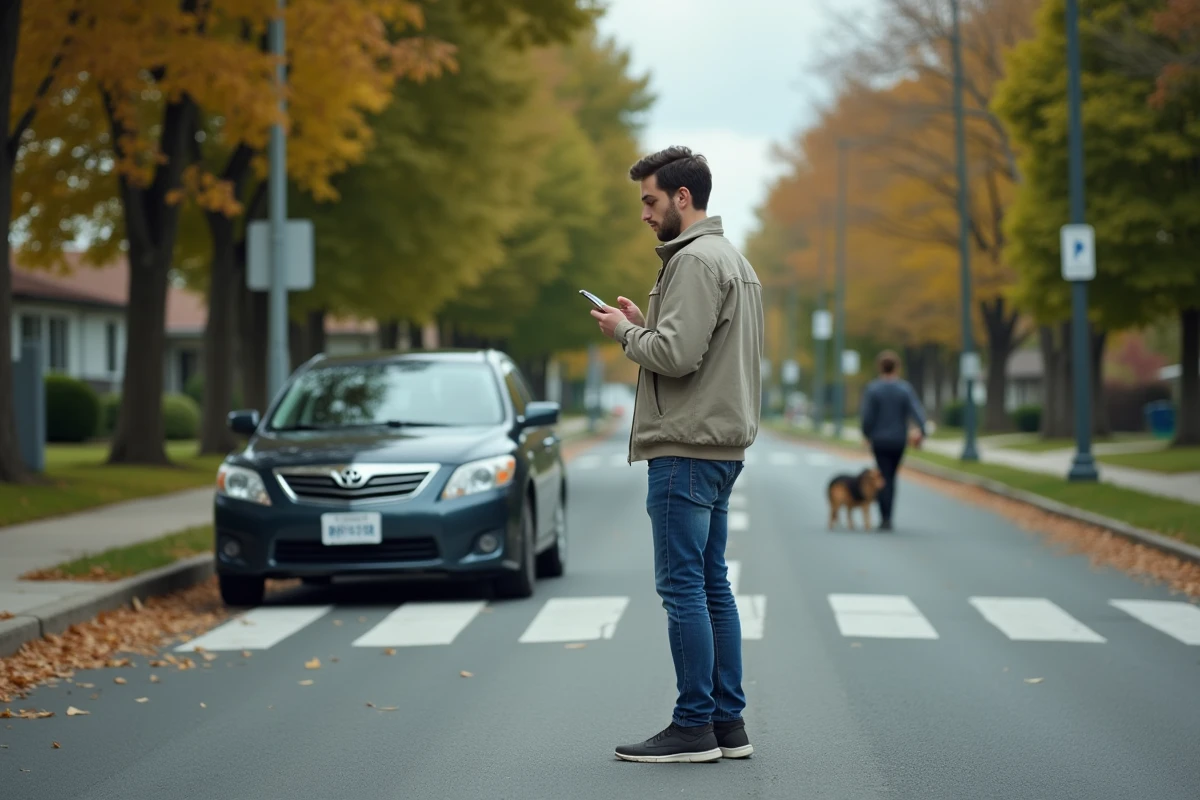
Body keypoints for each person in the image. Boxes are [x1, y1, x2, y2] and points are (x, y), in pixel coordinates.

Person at [589, 145, 765, 764]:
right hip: (719, 446)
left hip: (686, 446)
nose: (645, 213)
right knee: (712, 584)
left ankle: (693, 725)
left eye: (651, 200)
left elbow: (677, 356)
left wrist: (624, 333)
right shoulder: (732, 260)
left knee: (683, 586)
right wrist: (647, 319)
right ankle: (727, 725)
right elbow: (694, 344)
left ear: (682, 199)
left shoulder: (693, 261)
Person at [858, 349, 928, 531]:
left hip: (879, 441)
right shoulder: (904, 389)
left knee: (883, 475)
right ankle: (888, 516)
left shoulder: (873, 389)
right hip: (898, 441)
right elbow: (916, 411)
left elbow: (867, 417)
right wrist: (923, 430)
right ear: (897, 367)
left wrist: (866, 434)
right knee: (891, 477)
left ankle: (884, 517)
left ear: (880, 367)